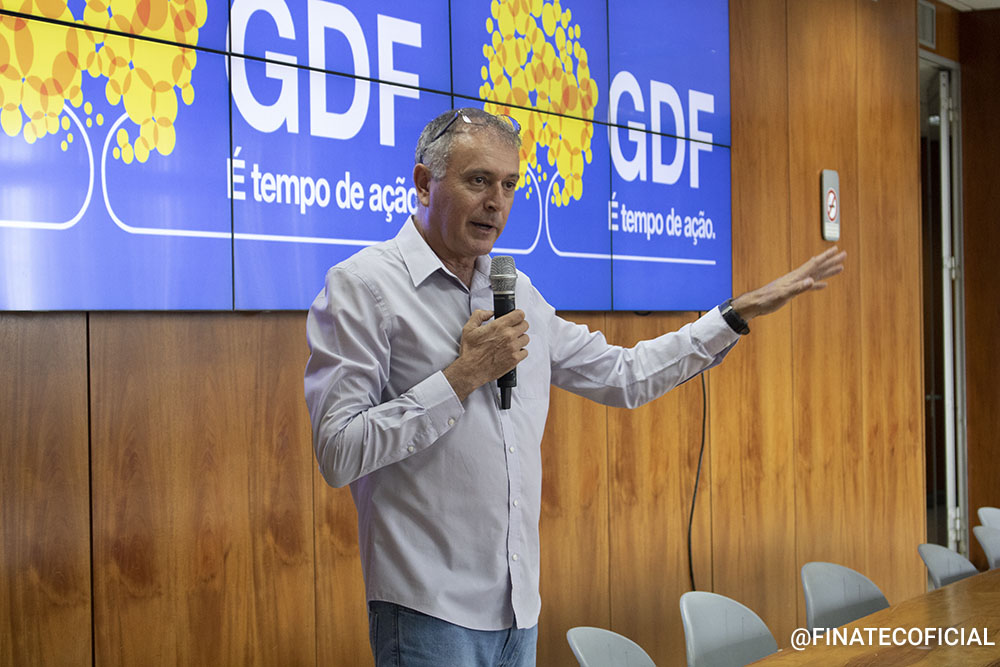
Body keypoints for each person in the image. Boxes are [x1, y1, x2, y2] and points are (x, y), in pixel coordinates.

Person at [304, 107, 846, 666]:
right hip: (426, 612)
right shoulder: (364, 288)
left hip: (518, 609)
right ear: (423, 182)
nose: (497, 202)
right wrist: (462, 377)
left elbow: (623, 374)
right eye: (478, 181)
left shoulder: (515, 292)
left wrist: (732, 315)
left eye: (510, 184)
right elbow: (338, 451)